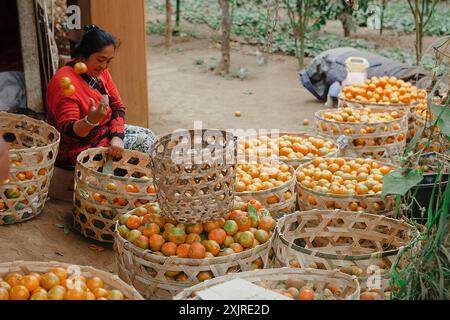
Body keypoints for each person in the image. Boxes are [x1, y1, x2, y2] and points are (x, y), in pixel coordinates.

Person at [46, 25, 156, 170]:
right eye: (100, 59)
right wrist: (90, 120)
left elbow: (118, 107)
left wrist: (117, 136)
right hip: (78, 151)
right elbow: (68, 133)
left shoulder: (100, 72)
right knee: (145, 144)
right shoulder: (65, 83)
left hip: (104, 135)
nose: (104, 66)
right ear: (84, 55)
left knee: (149, 136)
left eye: (108, 61)